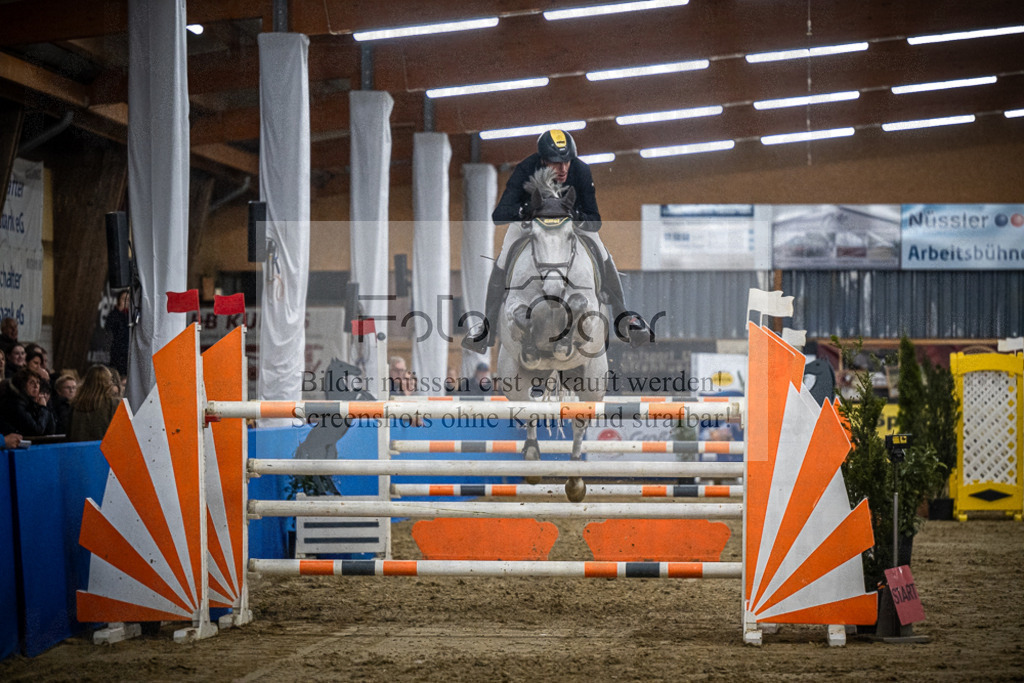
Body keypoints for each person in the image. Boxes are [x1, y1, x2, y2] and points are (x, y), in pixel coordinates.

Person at [462, 129, 651, 353]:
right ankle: (487, 329)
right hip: (531, 225)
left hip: (570, 226)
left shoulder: (580, 170)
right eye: (555, 163)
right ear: (543, 160)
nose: (562, 169)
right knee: (504, 257)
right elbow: (499, 215)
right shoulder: (526, 169)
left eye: (566, 162)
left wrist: (575, 216)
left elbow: (595, 220)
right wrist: (525, 210)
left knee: (601, 250)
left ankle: (623, 317)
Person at [69, 365, 120, 442]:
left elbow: (69, 432)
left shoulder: (75, 404)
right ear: (107, 382)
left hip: (79, 450)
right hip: (104, 450)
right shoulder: (113, 403)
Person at [0, 368, 57, 437]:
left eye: (38, 382)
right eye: (32, 383)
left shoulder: (32, 403)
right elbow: (36, 431)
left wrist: (45, 406)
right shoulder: (15, 404)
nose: (36, 386)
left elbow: (51, 430)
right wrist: (43, 408)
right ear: (22, 385)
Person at [106, 290, 131, 377]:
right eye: (124, 299)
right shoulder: (114, 315)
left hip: (128, 354)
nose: (126, 302)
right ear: (119, 300)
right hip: (117, 352)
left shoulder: (131, 317)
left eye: (128, 299)